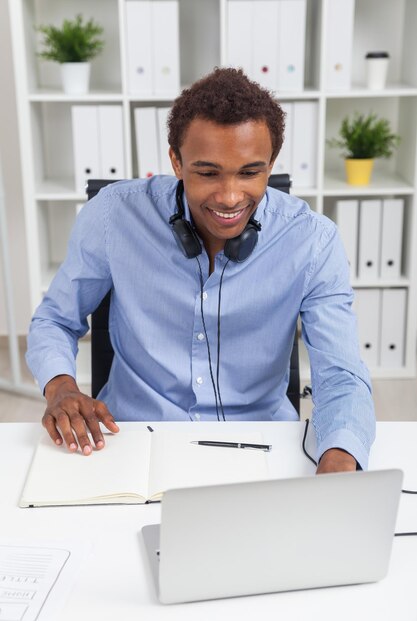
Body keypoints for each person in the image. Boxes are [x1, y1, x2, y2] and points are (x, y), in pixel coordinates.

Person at [26, 67, 375, 472]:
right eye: (208, 173)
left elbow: (343, 375)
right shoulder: (112, 215)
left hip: (260, 446)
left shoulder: (314, 241)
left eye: (249, 172)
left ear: (271, 163)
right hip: (129, 443)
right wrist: (60, 388)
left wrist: (339, 459)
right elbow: (54, 319)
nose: (230, 196)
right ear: (176, 161)